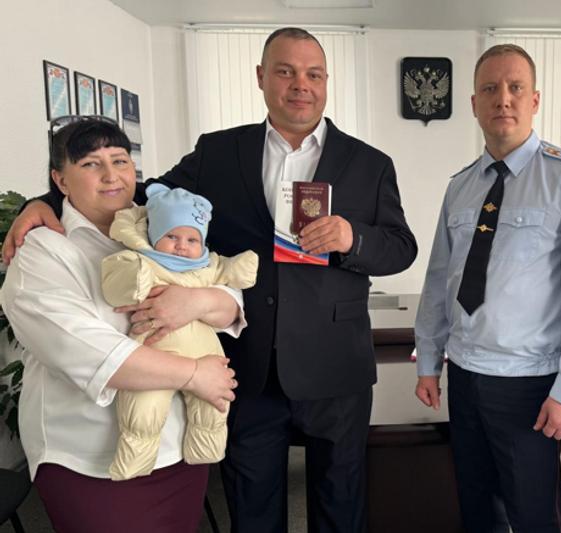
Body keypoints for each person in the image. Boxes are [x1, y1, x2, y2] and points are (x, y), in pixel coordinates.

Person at [4, 27, 417, 533]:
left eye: (313, 74)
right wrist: (45, 202)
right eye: (285, 71)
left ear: (327, 81)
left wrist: (354, 238)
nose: (300, 85)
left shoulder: (369, 164)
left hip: (334, 366)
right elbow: (140, 195)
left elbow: (401, 247)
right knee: (252, 505)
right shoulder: (220, 152)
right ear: (262, 77)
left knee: (340, 503)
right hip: (245, 366)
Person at [0, 117, 241, 532]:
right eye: (90, 164)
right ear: (60, 179)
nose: (111, 175)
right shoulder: (43, 251)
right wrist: (194, 374)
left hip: (178, 446)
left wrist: (199, 300)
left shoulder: (161, 224)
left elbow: (227, 293)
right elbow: (83, 349)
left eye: (120, 160)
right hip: (90, 456)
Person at [414, 44, 561, 532]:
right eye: (490, 88)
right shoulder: (461, 186)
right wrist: (428, 360)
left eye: (515, 87)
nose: (502, 98)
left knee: (533, 516)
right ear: (474, 103)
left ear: (534, 100)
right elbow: (440, 279)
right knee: (477, 509)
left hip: (529, 382)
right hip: (465, 374)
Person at [102, 184, 258, 481]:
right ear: (154, 235)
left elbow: (227, 271)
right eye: (171, 236)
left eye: (191, 239)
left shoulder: (207, 264)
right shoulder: (143, 260)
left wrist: (241, 268)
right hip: (154, 351)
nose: (181, 246)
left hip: (204, 351)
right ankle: (134, 463)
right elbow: (115, 282)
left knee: (214, 406)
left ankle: (206, 450)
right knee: (144, 412)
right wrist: (135, 279)